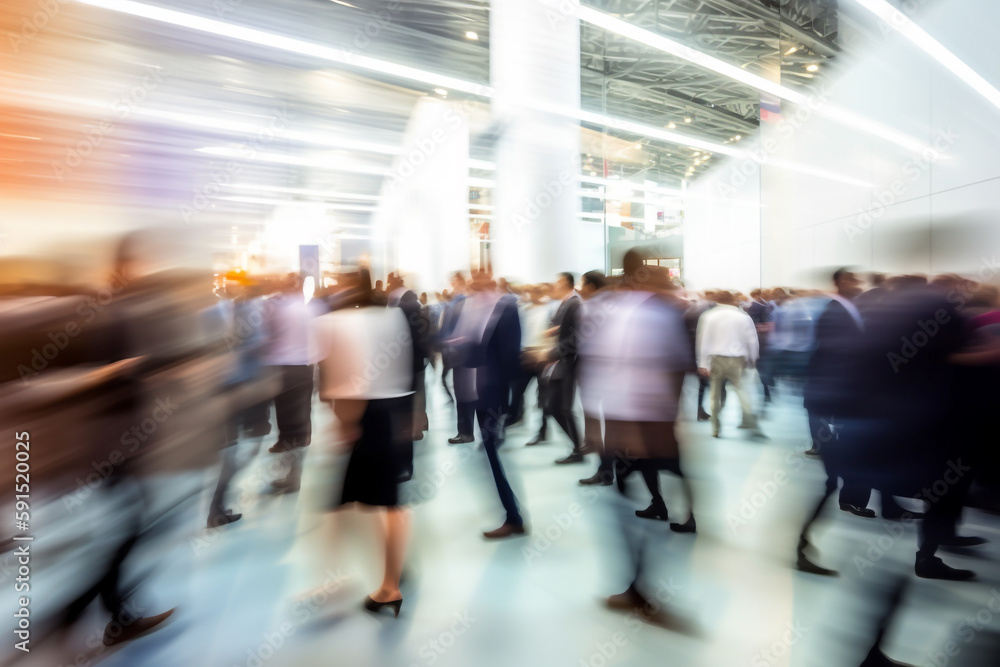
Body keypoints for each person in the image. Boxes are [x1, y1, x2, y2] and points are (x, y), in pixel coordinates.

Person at [580, 252, 694, 619]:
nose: (670, 285)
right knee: (633, 493)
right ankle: (641, 580)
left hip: (632, 421)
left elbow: (595, 367)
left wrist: (597, 425)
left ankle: (640, 582)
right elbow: (675, 368)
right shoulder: (652, 312)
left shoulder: (619, 310)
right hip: (639, 422)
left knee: (627, 498)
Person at [315, 270, 413, 617]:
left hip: (364, 415)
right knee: (382, 502)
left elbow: (345, 378)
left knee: (359, 503)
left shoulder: (335, 321)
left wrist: (345, 423)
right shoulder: (392, 315)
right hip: (393, 411)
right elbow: (406, 367)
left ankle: (389, 584)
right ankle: (390, 575)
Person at [796, 268, 872, 576]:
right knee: (832, 476)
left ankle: (803, 542)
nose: (859, 284)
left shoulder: (845, 310)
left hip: (837, 401)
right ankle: (801, 544)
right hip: (834, 402)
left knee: (836, 475)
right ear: (840, 282)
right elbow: (835, 359)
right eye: (853, 279)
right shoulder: (834, 312)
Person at [449, 271, 526, 538]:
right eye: (474, 280)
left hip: (493, 392)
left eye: (482, 280)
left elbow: (512, 358)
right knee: (491, 450)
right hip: (475, 389)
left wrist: (515, 404)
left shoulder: (506, 308)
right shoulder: (470, 306)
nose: (476, 284)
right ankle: (512, 515)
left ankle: (513, 517)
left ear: (493, 282)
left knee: (492, 449)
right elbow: (462, 340)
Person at [263, 273, 323, 493]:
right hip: (305, 369)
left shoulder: (278, 309)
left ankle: (290, 477)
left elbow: (267, 337)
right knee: (300, 419)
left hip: (283, 370)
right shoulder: (311, 309)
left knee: (286, 422)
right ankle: (293, 473)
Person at [696, 290, 762, 438]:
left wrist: (703, 363)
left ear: (716, 301)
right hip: (737, 359)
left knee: (714, 394)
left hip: (716, 359)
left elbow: (704, 341)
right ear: (732, 300)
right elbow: (752, 340)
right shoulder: (742, 317)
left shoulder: (709, 316)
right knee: (742, 391)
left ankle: (715, 428)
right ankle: (750, 422)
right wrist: (753, 359)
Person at [547, 272, 585, 464]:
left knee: (562, 407)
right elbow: (557, 326)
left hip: (568, 361)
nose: (556, 285)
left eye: (559, 282)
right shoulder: (565, 303)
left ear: (567, 284)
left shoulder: (574, 303)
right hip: (561, 360)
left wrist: (552, 353)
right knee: (555, 406)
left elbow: (575, 336)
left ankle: (579, 449)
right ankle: (578, 447)